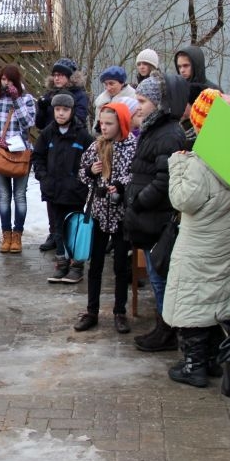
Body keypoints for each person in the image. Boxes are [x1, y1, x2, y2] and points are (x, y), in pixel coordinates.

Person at [160, 89, 230, 387]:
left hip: (198, 245)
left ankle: (193, 365)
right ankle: (211, 360)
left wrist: (177, 164)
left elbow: (184, 200)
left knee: (193, 300)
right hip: (224, 241)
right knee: (215, 299)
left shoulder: (199, 161)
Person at [124, 73, 188, 351]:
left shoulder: (169, 133)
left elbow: (164, 180)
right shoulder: (154, 128)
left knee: (160, 277)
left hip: (156, 217)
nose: (136, 106)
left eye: (142, 100)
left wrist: (138, 201)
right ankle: (163, 326)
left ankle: (167, 330)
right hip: (148, 217)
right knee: (156, 275)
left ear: (158, 103)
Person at [74, 102, 137, 333]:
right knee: (95, 265)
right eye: (101, 123)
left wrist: (121, 187)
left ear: (121, 123)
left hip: (121, 215)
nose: (104, 127)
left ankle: (120, 311)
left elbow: (137, 176)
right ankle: (91, 311)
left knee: (121, 266)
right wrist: (91, 172)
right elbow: (81, 172)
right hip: (99, 214)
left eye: (109, 123)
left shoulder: (132, 146)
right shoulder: (96, 146)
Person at [32, 93, 93, 283]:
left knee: (74, 229)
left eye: (65, 110)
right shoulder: (48, 133)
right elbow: (38, 157)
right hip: (53, 191)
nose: (60, 113)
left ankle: (77, 266)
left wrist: (81, 181)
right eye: (57, 109)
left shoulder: (82, 134)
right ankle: (61, 263)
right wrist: (44, 177)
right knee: (57, 228)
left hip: (75, 192)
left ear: (72, 111)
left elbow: (91, 159)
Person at [35, 58, 90, 251]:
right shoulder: (49, 95)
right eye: (55, 75)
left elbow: (81, 118)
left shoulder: (79, 96)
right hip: (52, 149)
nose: (57, 78)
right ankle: (55, 237)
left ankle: (72, 249)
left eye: (61, 75)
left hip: (71, 150)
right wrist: (42, 108)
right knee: (53, 205)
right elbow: (40, 126)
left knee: (72, 213)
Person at [0, 64, 37, 253]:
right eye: (3, 79)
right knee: (4, 196)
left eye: (10, 80)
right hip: (0, 153)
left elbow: (29, 123)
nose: (6, 83)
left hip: (21, 153)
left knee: (20, 196)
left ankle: (17, 235)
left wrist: (16, 100)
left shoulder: (27, 99)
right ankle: (6, 234)